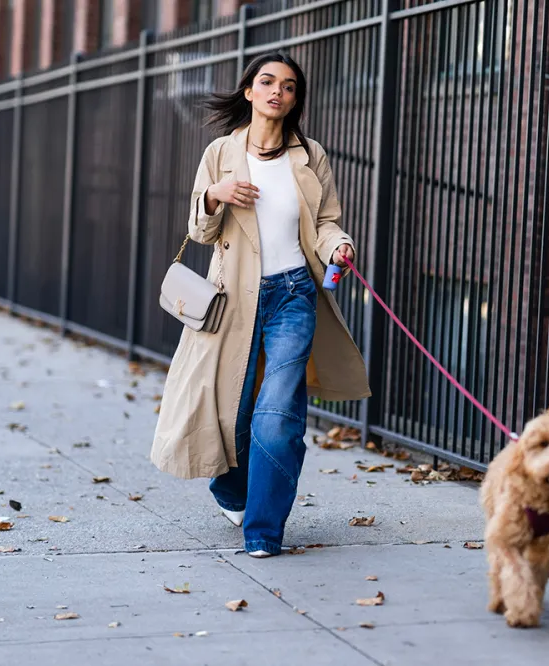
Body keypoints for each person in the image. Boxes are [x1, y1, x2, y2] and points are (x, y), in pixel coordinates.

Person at [151, 52, 371, 558]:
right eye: (267, 82)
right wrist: (216, 194)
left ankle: (264, 531)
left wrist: (339, 245)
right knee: (235, 407)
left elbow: (325, 222)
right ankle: (231, 490)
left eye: (288, 86)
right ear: (249, 91)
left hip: (293, 295)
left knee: (278, 415)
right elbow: (200, 231)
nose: (277, 91)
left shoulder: (309, 156)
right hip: (234, 298)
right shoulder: (220, 153)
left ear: (295, 100)